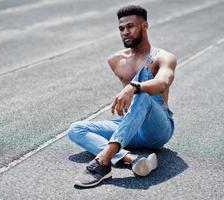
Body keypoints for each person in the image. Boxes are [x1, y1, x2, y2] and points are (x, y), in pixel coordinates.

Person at [68, 5, 176, 188]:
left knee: (143, 95)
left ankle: (103, 162)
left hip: (157, 128)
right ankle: (132, 159)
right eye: (121, 28)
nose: (125, 32)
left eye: (130, 26)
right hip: (131, 127)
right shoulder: (116, 60)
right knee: (76, 129)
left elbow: (163, 82)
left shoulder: (163, 57)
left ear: (145, 26)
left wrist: (133, 87)